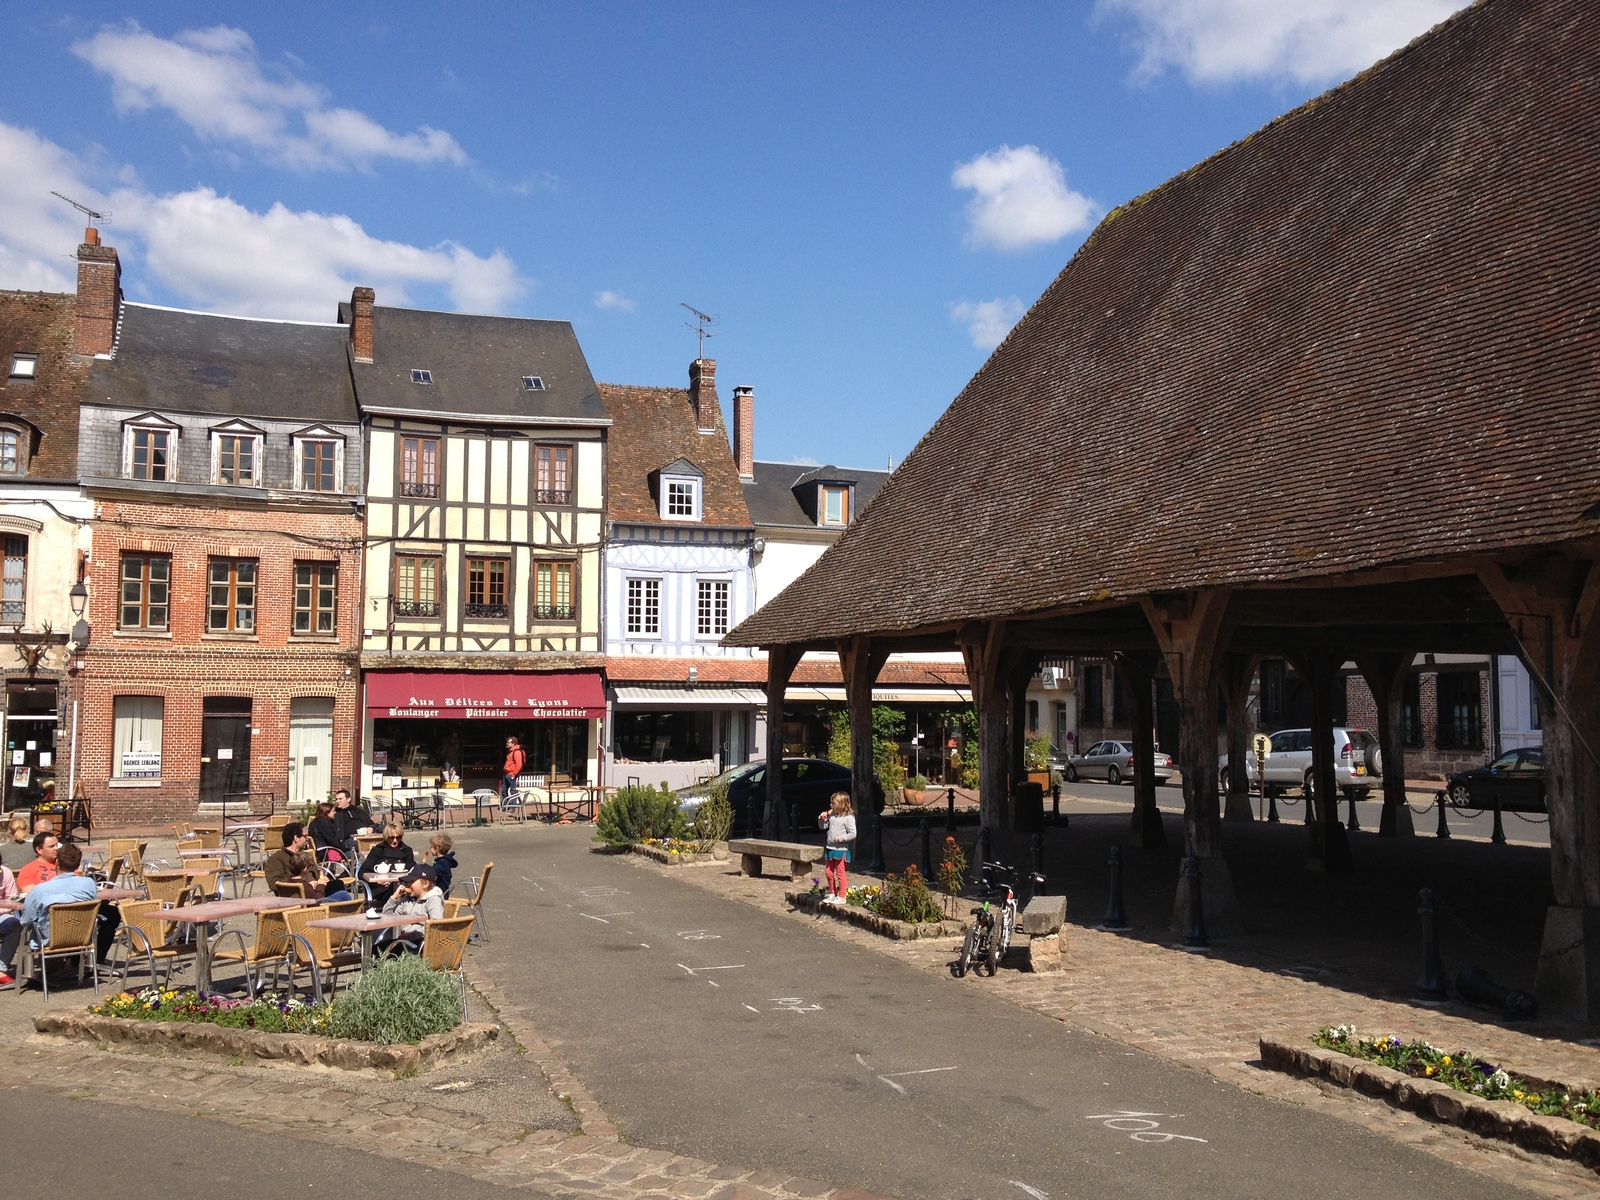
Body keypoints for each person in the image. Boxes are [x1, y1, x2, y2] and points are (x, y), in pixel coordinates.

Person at [0, 842, 121, 984]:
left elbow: (26, 919)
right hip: (81, 937)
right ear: (77, 864)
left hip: (51, 940)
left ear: (57, 862)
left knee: (29, 926)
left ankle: (47, 970)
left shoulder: (41, 890)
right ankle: (64, 967)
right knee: (112, 912)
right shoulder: (89, 884)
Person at [262, 823, 351, 901]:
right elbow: (275, 884)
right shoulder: (276, 859)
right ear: (296, 838)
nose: (307, 839)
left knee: (337, 884)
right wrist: (305, 885)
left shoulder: (305, 855)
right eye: (305, 836)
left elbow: (316, 873)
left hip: (316, 892)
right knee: (343, 895)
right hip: (300, 898)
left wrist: (322, 879)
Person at [375, 864, 445, 955]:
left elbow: (436, 925)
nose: (408, 884)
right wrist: (394, 898)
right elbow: (388, 918)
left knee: (378, 955)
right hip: (404, 942)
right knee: (374, 951)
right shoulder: (407, 899)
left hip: (420, 944)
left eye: (412, 881)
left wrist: (411, 935)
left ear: (426, 884)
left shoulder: (433, 900)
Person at [359, 821, 416, 907]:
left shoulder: (406, 850)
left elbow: (413, 870)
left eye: (398, 837)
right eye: (391, 838)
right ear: (386, 837)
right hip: (381, 888)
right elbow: (362, 872)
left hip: (402, 886)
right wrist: (378, 881)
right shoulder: (378, 850)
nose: (395, 840)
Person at [818, 791, 856, 905]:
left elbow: (853, 833)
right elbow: (823, 827)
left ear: (841, 804)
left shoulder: (849, 817)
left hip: (841, 850)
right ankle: (832, 893)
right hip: (830, 848)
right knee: (828, 872)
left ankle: (842, 896)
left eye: (833, 803)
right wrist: (821, 818)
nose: (831, 806)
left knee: (840, 873)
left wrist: (842, 838)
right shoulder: (832, 816)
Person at [330, 788, 376, 857]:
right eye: (336, 799)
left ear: (348, 799)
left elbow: (372, 824)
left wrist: (371, 828)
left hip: (363, 838)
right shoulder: (335, 813)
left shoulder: (357, 811)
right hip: (347, 841)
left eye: (340, 799)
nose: (337, 801)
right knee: (361, 847)